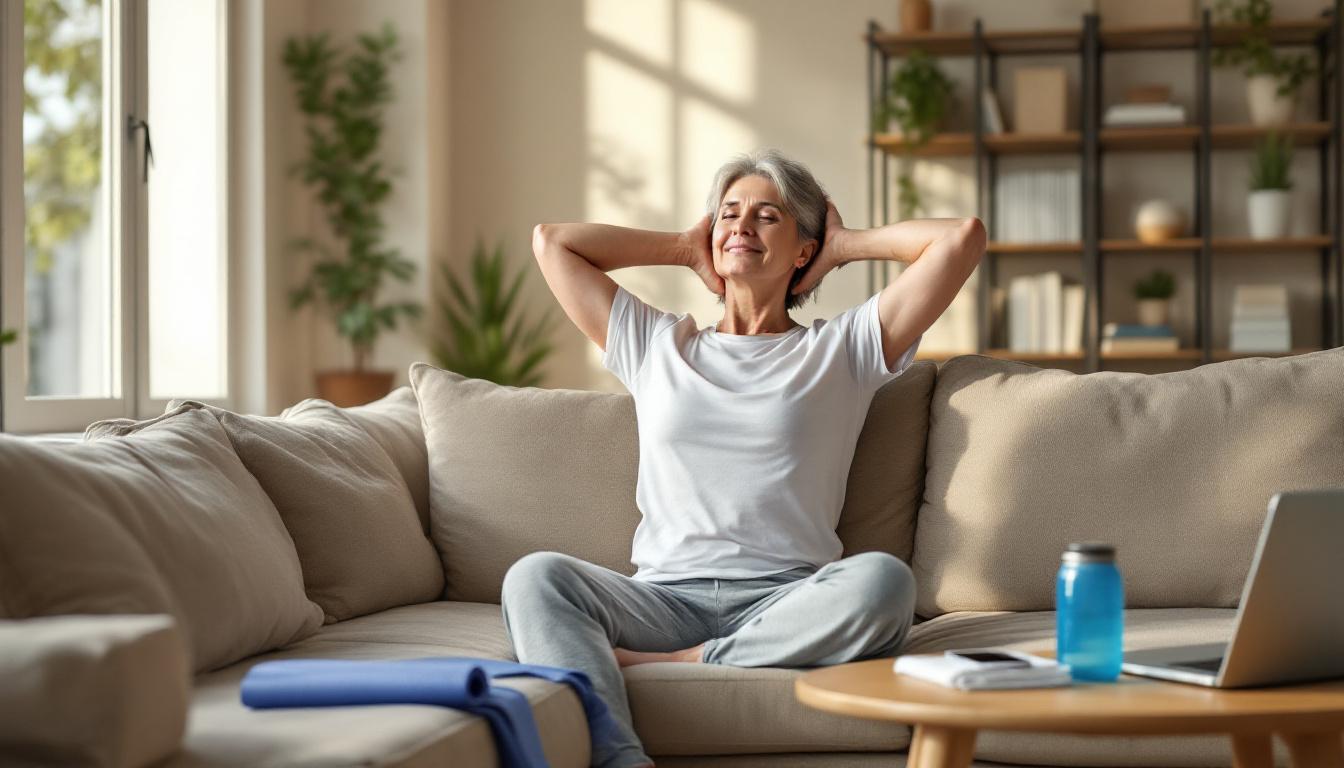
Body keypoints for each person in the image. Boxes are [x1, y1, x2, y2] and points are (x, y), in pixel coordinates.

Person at [505, 148, 985, 768]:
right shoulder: (655, 344)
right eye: (728, 214)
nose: (741, 227)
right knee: (534, 578)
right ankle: (619, 760)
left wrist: (842, 246)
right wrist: (684, 248)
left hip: (788, 597)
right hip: (662, 599)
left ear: (802, 250)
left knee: (885, 584)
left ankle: (695, 661)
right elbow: (553, 243)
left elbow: (961, 238)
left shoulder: (843, 349)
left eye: (767, 217)